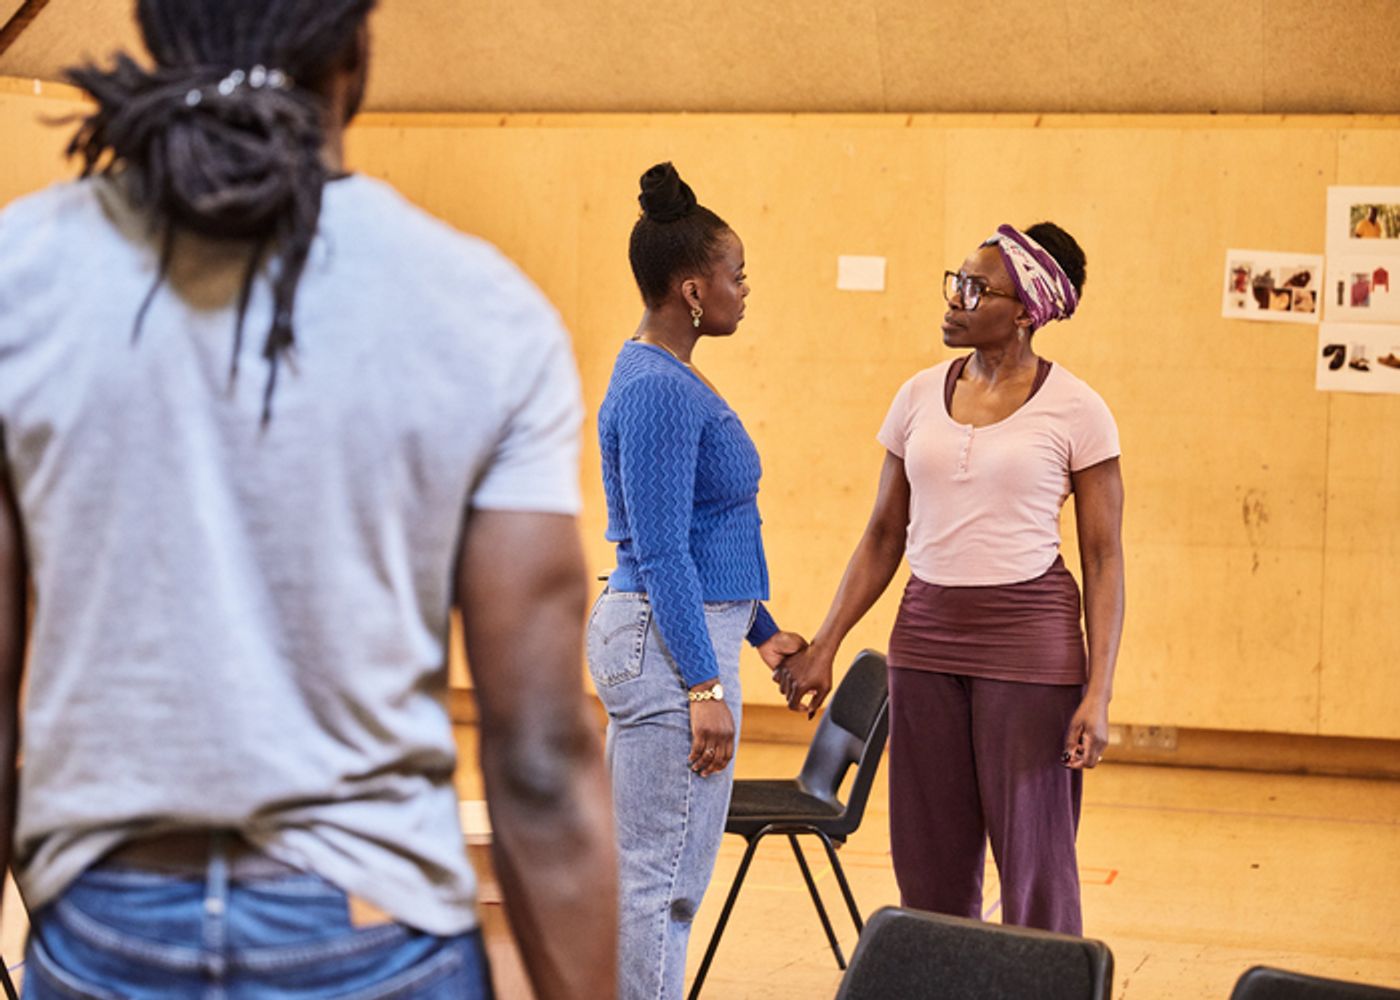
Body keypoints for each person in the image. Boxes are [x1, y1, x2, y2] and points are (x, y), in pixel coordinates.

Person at [0, 2, 616, 997]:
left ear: (159, 37)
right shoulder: (482, 314)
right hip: (370, 932)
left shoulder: (19, 276)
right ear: (353, 54)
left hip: (108, 930)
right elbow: (541, 749)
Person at [779, 222, 1125, 937]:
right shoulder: (914, 397)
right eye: (956, 281)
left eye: (978, 288)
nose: (957, 298)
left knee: (1035, 866)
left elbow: (1104, 559)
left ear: (1027, 310)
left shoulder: (1078, 410)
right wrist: (827, 642)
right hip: (926, 640)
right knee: (928, 861)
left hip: (1032, 651)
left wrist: (1099, 691)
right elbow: (882, 534)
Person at [588, 162, 806, 999]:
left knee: (663, 881)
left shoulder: (668, 376)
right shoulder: (656, 390)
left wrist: (761, 630)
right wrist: (704, 684)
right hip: (667, 645)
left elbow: (708, 537)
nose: (745, 289)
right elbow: (663, 549)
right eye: (736, 274)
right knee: (657, 884)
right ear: (690, 289)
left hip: (684, 630)